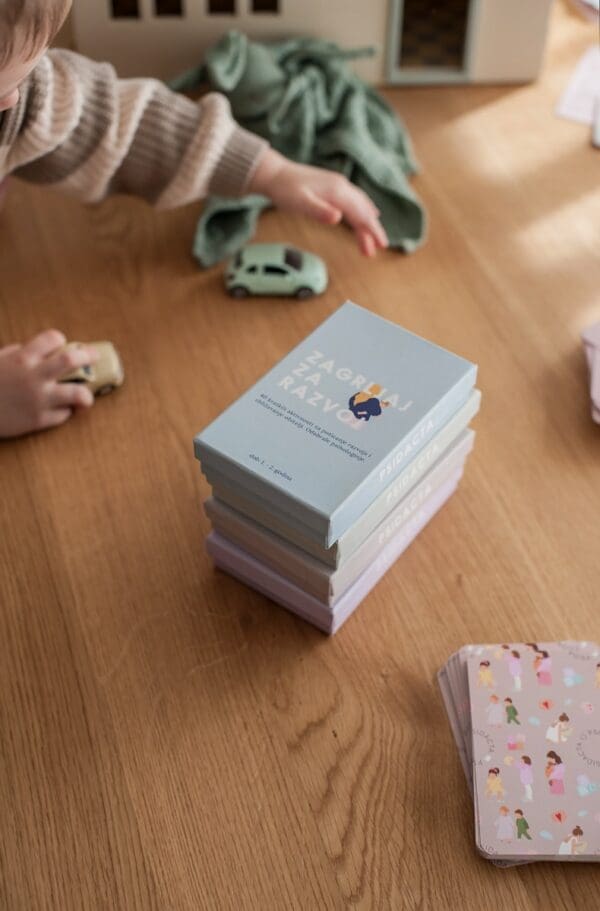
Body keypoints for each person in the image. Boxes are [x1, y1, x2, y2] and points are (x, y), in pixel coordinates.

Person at [0, 0, 388, 439]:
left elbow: (119, 125)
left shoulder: (20, 96)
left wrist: (271, 172)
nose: (12, 101)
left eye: (23, 76)